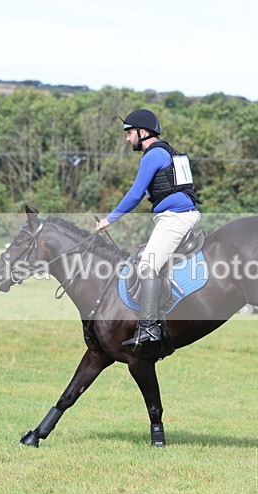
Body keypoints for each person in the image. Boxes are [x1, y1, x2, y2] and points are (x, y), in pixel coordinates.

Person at [95, 109, 201, 349]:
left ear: (143, 133)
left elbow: (135, 195)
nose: (127, 138)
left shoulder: (153, 156)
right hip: (176, 216)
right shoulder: (167, 151)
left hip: (175, 218)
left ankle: (150, 328)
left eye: (130, 133)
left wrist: (109, 220)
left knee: (147, 266)